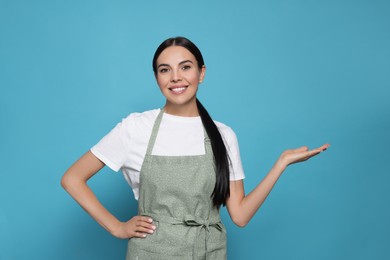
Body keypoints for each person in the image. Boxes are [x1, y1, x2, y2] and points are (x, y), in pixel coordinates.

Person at [61, 36, 329, 260]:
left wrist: (280, 164)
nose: (176, 77)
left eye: (185, 67)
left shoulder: (223, 135)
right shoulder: (136, 128)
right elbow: (72, 178)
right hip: (152, 252)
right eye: (165, 70)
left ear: (201, 73)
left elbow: (240, 215)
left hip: (208, 252)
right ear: (156, 78)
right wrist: (117, 227)